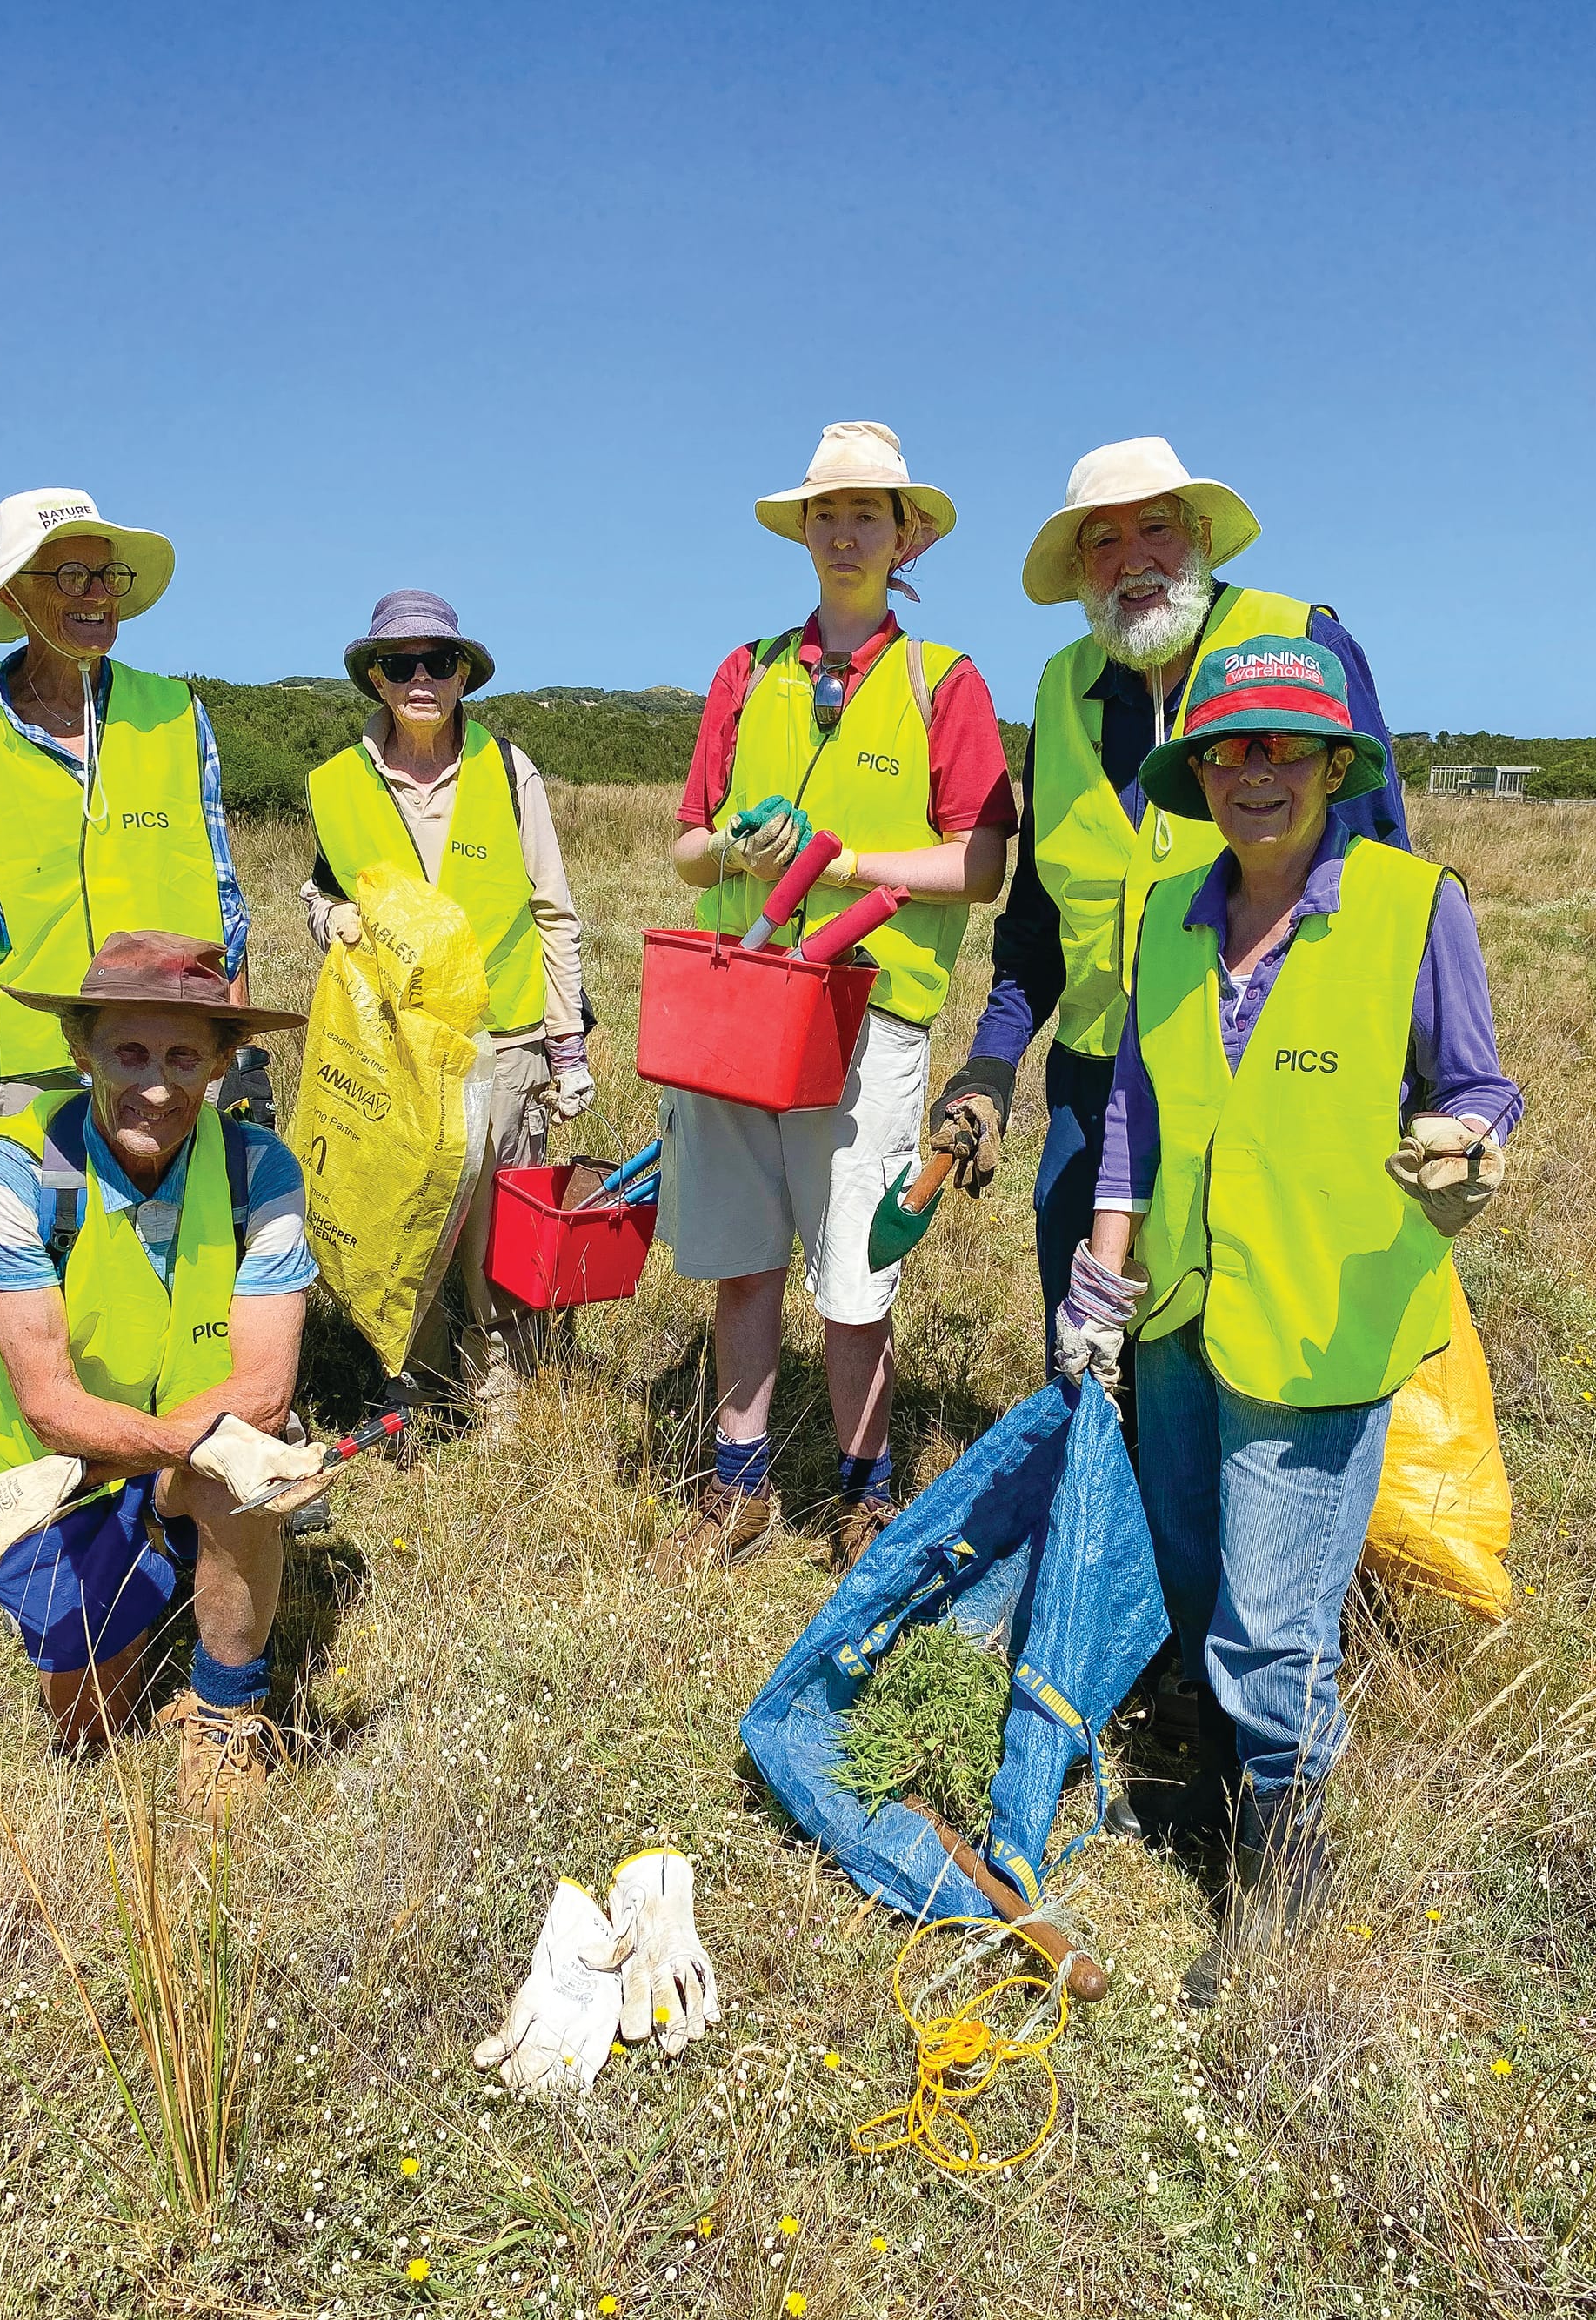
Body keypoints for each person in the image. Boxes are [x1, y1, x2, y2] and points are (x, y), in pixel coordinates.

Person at [1052, 636, 1518, 2001]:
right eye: (1230, 747)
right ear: (1199, 770)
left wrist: (1464, 1146)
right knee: (1196, 1570)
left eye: (1283, 746)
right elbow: (1136, 1108)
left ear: (1331, 764)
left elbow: (1482, 1085)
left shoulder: (1410, 904)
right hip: (1187, 1306)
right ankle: (1218, 1794)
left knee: (1275, 1620)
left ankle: (1286, 1878)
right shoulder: (1172, 918)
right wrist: (1102, 1271)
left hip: (1322, 1319)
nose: (1256, 770)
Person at [928, 438, 1409, 1375]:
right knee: (1084, 1351)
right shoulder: (1059, 689)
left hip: (1257, 1077)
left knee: (1243, 1357)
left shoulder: (1297, 640)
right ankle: (1096, 1518)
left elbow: (1382, 872)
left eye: (1155, 527)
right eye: (1101, 542)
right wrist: (987, 1068)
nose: (1131, 559)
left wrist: (1407, 1090)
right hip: (1088, 1081)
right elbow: (1034, 923)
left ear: (1198, 537)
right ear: (1076, 571)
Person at [659, 422, 1017, 1575]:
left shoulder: (943, 681)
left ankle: (866, 1496)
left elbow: (980, 862)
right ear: (805, 532)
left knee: (856, 1272)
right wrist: (737, 852)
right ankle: (739, 1483)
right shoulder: (747, 669)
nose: (846, 530)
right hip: (739, 1002)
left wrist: (845, 861)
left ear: (905, 533)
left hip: (869, 1012)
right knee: (743, 1256)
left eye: (869, 512)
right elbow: (685, 847)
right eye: (828, 512)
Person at [0, 933, 327, 1829]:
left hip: (185, 1439)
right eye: (128, 1051)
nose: (155, 1085)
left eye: (184, 1054)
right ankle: (133, 1558)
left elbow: (265, 1386)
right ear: (81, 1049)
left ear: (224, 1063)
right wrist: (183, 1455)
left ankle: (228, 1707)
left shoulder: (257, 1169)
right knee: (91, 1728)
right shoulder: (6, 1170)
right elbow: (48, 1403)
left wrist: (200, 1461)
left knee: (245, 1478)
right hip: (56, 1467)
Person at [301, 591, 591, 1414]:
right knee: (406, 1214)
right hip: (395, 1043)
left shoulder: (508, 768)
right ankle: (417, 1379)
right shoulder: (336, 784)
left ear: (464, 675)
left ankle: (500, 1385)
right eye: (401, 664)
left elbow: (554, 909)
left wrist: (567, 1048)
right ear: (377, 680)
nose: (421, 677)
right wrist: (331, 919)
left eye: (439, 662)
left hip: (506, 1038)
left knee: (498, 1224)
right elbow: (317, 892)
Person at [0, 490, 257, 1119]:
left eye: (108, 575)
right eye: (72, 575)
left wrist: (240, 1049)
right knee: (60, 1217)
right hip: (40, 1066)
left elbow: (223, 892)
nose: (97, 594)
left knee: (193, 1218)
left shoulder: (178, 713)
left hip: (181, 1052)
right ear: (14, 595)